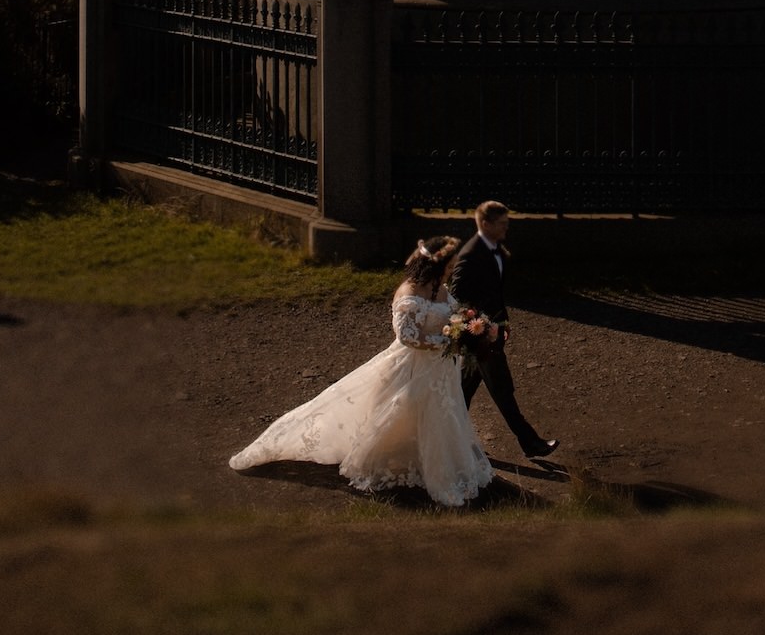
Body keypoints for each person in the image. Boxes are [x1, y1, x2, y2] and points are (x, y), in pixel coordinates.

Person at [227, 233, 493, 508]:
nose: (453, 267)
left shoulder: (441, 287)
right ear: (436, 264)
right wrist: (448, 340)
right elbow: (407, 337)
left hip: (440, 370)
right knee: (404, 411)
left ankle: (437, 462)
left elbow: (450, 314)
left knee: (442, 414)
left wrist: (469, 327)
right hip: (413, 366)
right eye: (450, 263)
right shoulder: (408, 293)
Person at [448, 200, 558, 461]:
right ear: (485, 224)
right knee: (502, 390)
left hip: (492, 330)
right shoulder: (471, 255)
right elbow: (456, 296)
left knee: (464, 391)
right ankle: (531, 443)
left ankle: (451, 440)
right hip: (481, 337)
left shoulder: (495, 250)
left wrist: (503, 322)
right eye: (502, 224)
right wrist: (479, 327)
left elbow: (495, 294)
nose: (507, 228)